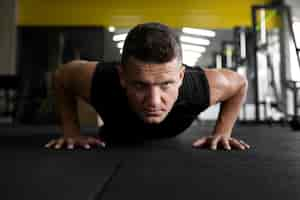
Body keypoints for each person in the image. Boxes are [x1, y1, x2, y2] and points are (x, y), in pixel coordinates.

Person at [45, 22, 250, 151]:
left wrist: (223, 131)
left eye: (166, 84)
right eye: (140, 85)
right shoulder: (100, 79)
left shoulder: (200, 87)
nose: (153, 101)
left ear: (180, 77)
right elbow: (62, 76)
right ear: (122, 77)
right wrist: (71, 131)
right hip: (117, 134)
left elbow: (240, 83)